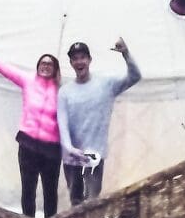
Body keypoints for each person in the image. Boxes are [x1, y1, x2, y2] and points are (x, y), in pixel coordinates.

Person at [0, 35, 65, 218]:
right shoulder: (28, 80)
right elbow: (4, 68)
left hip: (52, 150)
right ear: (37, 66)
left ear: (55, 69)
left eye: (50, 64)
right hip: (28, 146)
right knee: (28, 189)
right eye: (42, 63)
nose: (45, 66)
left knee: (50, 192)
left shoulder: (61, 91)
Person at [57, 37, 140, 206]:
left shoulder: (106, 84)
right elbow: (62, 123)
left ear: (89, 60)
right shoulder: (65, 92)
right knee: (75, 201)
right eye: (75, 58)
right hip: (72, 158)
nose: (79, 62)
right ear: (71, 63)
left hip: (94, 156)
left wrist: (126, 54)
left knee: (92, 202)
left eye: (82, 57)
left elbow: (135, 77)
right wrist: (68, 148)